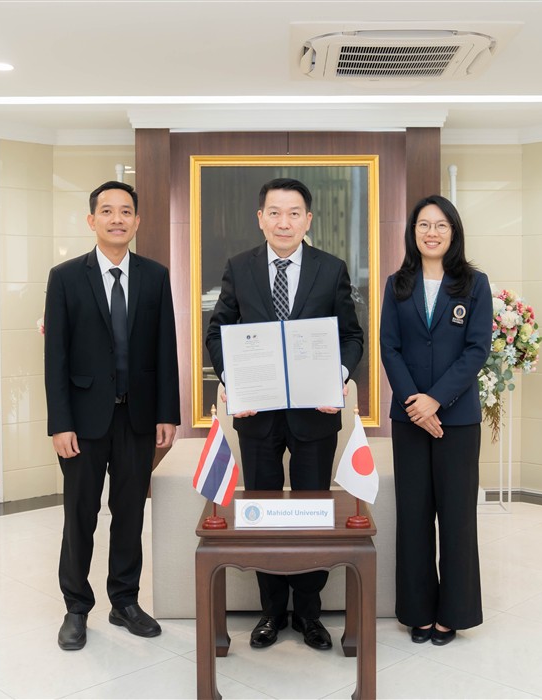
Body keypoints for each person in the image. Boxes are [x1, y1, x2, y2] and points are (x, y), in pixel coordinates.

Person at [205, 178, 363, 651]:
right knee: (262, 512)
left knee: (314, 511)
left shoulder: (331, 269)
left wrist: (336, 376)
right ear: (260, 218)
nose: (284, 222)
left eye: (294, 213)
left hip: (315, 412)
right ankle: (272, 612)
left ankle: (309, 614)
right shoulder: (240, 268)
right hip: (258, 414)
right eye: (274, 212)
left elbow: (351, 336)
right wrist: (234, 381)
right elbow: (218, 332)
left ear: (308, 220)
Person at [44, 180, 180, 650]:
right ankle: (76, 607)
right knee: (80, 514)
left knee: (129, 513)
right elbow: (56, 357)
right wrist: (60, 423)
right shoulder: (65, 277)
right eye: (107, 211)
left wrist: (167, 412)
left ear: (137, 221)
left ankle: (124, 601)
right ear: (92, 220)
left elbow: (165, 349)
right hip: (82, 422)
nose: (117, 219)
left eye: (125, 211)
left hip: (137, 417)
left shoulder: (155, 275)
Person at [380, 195, 492, 647]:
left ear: (454, 232)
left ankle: (453, 614)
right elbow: (389, 347)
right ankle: (418, 611)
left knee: (457, 516)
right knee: (413, 515)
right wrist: (415, 403)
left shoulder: (475, 283)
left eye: (441, 225)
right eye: (424, 225)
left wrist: (436, 401)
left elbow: (477, 349)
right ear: (413, 232)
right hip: (409, 419)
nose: (432, 232)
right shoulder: (397, 284)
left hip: (457, 420)